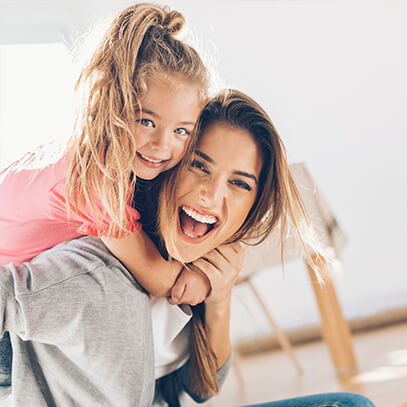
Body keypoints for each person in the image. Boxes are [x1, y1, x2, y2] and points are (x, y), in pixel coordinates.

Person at [0, 89, 374, 407]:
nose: (212, 195)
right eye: (199, 166)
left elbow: (198, 387)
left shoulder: (195, 270)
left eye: (239, 183)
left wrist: (219, 298)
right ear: (168, 165)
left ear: (253, 205)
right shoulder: (95, 270)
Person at [0, 2, 214, 396]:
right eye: (145, 121)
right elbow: (156, 278)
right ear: (110, 105)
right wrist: (207, 277)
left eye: (182, 131)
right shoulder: (96, 175)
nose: (161, 145)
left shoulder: (94, 157)